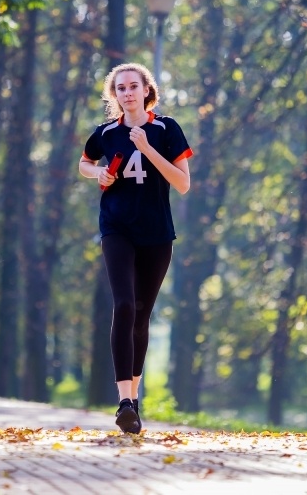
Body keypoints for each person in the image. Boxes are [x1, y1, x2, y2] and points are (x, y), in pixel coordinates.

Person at [78, 63, 193, 434]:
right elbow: (85, 162)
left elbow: (183, 184)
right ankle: (124, 402)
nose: (127, 93)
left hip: (157, 234)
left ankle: (134, 400)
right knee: (124, 305)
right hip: (117, 229)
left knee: (141, 317)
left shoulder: (166, 129)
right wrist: (99, 174)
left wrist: (147, 148)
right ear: (115, 95)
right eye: (121, 88)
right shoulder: (106, 133)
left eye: (133, 86)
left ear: (146, 90)